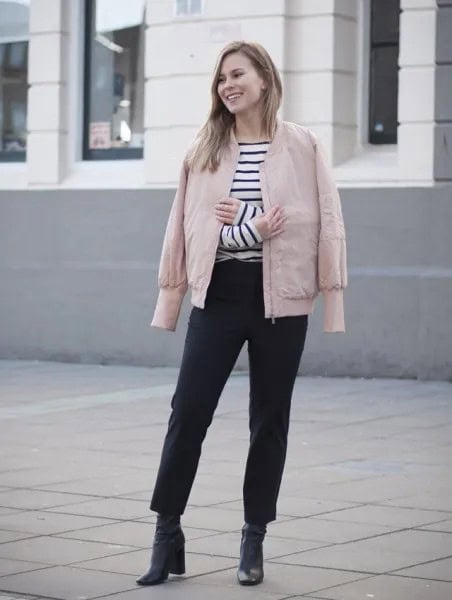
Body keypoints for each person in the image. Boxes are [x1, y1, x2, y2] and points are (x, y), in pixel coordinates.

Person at [137, 40, 347, 587]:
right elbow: (188, 227)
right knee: (187, 415)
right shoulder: (204, 148)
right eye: (221, 78)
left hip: (283, 300)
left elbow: (321, 218)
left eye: (238, 74)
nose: (228, 85)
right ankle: (167, 535)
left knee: (269, 422)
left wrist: (328, 289)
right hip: (219, 295)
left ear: (263, 78)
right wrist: (248, 228)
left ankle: (254, 539)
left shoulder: (302, 146)